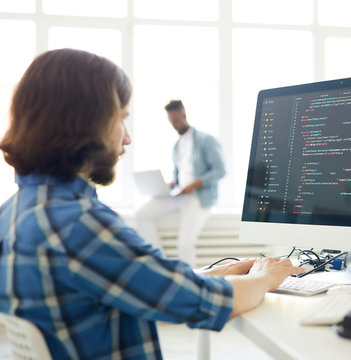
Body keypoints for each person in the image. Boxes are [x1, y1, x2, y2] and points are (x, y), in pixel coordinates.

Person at [0, 48, 304, 360]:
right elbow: (207, 303)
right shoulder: (78, 224)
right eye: (121, 119)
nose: (127, 138)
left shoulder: (13, 212)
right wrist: (265, 277)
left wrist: (227, 271)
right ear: (87, 123)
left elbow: (148, 281)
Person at [135, 100, 224, 266]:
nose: (174, 125)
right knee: (141, 214)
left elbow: (220, 170)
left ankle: (189, 283)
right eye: (171, 121)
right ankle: (158, 262)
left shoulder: (206, 140)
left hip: (198, 197)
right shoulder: (177, 146)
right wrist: (173, 184)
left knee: (184, 243)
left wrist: (196, 183)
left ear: (184, 115)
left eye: (176, 120)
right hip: (179, 194)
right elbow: (178, 174)